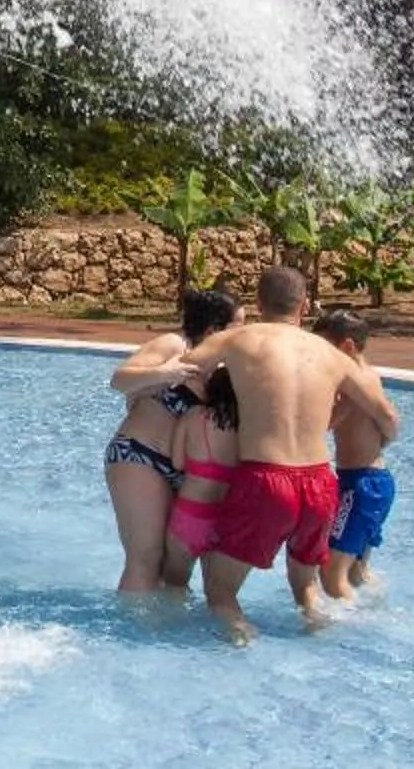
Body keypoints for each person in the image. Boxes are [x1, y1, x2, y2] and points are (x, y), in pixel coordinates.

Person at [182, 267, 397, 641]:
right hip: (319, 484)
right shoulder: (333, 356)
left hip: (266, 479)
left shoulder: (239, 339)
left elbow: (185, 368)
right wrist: (386, 442)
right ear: (304, 305)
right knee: (307, 591)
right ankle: (324, 633)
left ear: (259, 303)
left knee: (221, 591)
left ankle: (240, 643)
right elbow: (387, 416)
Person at [103, 287, 239, 592]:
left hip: (184, 472)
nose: (242, 336)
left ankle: (166, 633)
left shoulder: (223, 368)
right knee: (146, 557)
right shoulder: (175, 345)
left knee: (174, 564)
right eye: (237, 328)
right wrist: (165, 372)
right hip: (139, 456)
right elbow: (119, 380)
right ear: (213, 330)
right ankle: (133, 632)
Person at [315, 309, 394, 602]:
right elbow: (387, 417)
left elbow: (325, 423)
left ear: (347, 346)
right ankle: (375, 612)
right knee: (356, 572)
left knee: (331, 576)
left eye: (324, 348)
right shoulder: (369, 376)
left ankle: (342, 636)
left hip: (360, 485)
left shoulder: (355, 382)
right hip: (373, 481)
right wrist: (385, 439)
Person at [160, 367, 241, 592]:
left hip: (191, 514)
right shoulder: (248, 426)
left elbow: (177, 463)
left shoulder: (194, 416)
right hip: (225, 518)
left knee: (174, 586)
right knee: (218, 595)